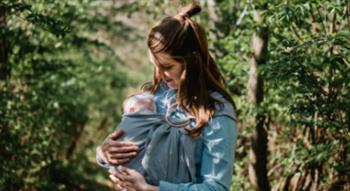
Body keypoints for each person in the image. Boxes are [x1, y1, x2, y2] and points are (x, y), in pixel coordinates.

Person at [96, 3, 238, 191]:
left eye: (168, 67)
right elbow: (127, 146)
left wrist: (150, 189)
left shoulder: (216, 111)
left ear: (192, 62)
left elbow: (217, 188)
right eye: (156, 66)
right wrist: (103, 153)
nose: (160, 74)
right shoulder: (153, 97)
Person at [97, 91, 197, 186]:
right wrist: (101, 154)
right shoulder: (132, 118)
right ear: (132, 110)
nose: (152, 103)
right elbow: (109, 153)